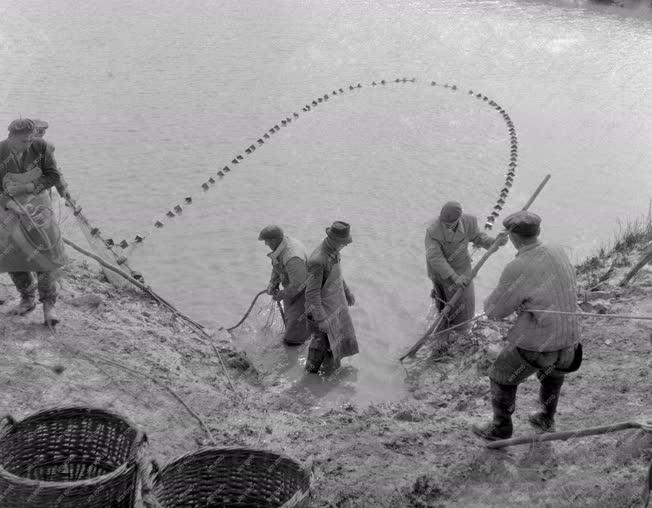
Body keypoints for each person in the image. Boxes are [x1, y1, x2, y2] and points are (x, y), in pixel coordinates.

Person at [472, 211, 582, 441]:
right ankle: (545, 416)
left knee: (500, 375)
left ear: (513, 237)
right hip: (571, 344)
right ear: (538, 232)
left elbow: (494, 312)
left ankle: (500, 428)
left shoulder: (517, 266)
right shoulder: (557, 249)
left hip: (541, 348)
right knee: (552, 372)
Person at [0, 118, 68, 326]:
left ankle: (49, 305)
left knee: (46, 253)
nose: (28, 145)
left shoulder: (41, 147)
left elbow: (53, 176)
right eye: (23, 141)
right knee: (13, 254)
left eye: (31, 140)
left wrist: (27, 188)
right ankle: (27, 298)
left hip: (39, 205)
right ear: (10, 137)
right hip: (9, 208)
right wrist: (7, 203)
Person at [425, 201, 506, 330]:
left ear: (459, 218)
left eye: (450, 225)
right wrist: (454, 277)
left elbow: (478, 237)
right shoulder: (433, 231)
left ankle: (461, 328)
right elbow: (435, 258)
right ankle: (442, 326)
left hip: (463, 268)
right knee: (444, 302)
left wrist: (494, 242)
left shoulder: (469, 221)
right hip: (442, 272)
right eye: (444, 224)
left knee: (465, 303)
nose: (447, 227)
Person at [304, 221, 358, 373]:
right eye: (344, 243)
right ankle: (309, 380)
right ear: (334, 240)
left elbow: (337, 275)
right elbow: (311, 294)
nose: (345, 245)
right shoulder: (318, 261)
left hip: (333, 305)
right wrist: (321, 320)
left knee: (333, 345)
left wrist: (347, 292)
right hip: (319, 310)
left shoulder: (333, 250)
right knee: (318, 346)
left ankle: (329, 374)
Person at [259, 224, 310, 345]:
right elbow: (278, 265)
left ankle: (294, 346)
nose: (266, 244)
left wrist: (281, 294)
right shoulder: (281, 245)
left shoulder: (292, 257)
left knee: (294, 336)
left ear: (274, 240)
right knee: (292, 323)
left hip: (303, 293)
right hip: (292, 290)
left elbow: (299, 285)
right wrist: (273, 283)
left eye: (266, 241)